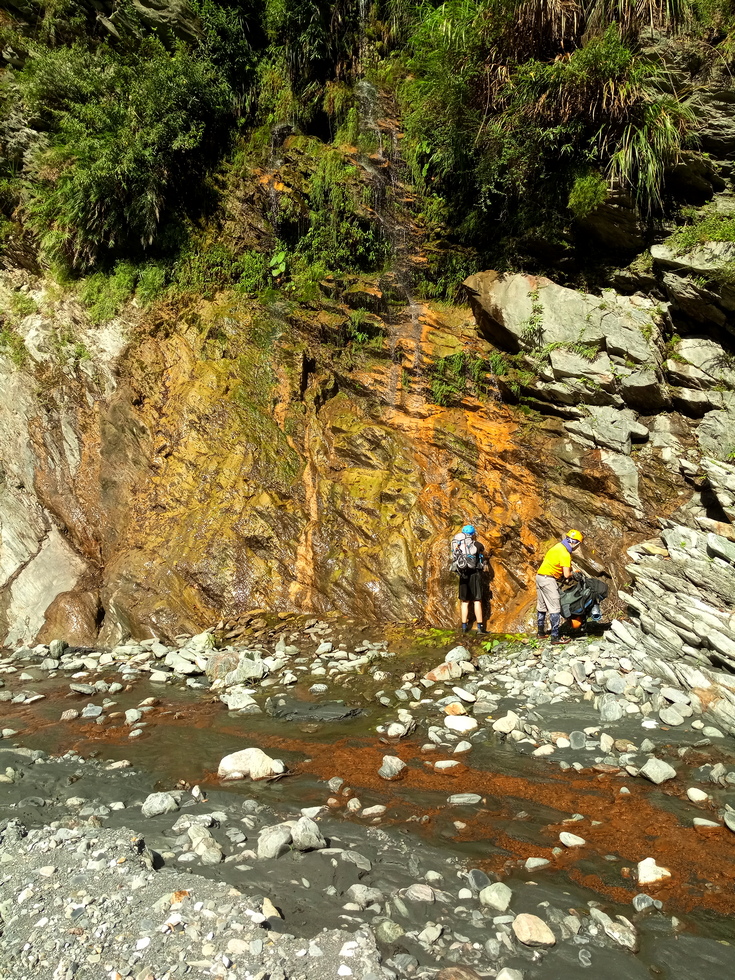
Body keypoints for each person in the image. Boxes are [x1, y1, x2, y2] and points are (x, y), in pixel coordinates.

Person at [535, 530, 584, 645]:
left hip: (540, 576)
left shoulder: (557, 547)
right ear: (575, 543)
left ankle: (541, 632)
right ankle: (555, 637)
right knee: (555, 607)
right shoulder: (565, 554)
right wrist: (574, 574)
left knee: (541, 605)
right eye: (578, 544)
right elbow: (567, 574)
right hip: (548, 579)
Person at [451, 524, 486, 633]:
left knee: (465, 602)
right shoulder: (477, 545)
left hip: (463, 575)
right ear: (473, 535)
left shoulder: (457, 544)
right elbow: (483, 552)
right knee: (477, 601)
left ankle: (464, 627)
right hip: (474, 575)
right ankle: (480, 627)